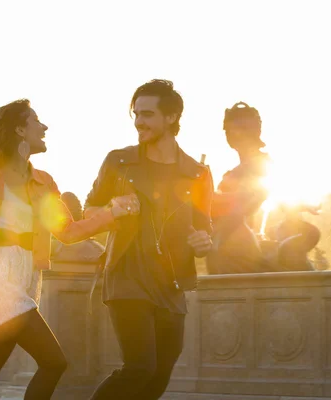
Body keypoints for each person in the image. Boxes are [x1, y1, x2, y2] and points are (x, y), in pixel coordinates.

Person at [0, 99, 137, 400]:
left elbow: (67, 232)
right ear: (19, 129)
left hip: (27, 279)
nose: (44, 127)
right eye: (36, 121)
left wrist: (112, 216)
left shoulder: (44, 183)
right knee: (54, 362)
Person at [84, 79, 213, 399]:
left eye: (148, 114)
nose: (139, 122)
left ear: (171, 117)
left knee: (159, 374)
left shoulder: (197, 172)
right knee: (139, 367)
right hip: (127, 275)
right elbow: (89, 211)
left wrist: (205, 241)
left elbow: (204, 226)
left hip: (171, 281)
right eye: (136, 114)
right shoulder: (119, 161)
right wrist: (112, 209)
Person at [207, 101, 271, 274]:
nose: (231, 134)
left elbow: (246, 202)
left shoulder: (260, 164)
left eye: (237, 129)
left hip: (241, 243)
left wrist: (209, 195)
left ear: (253, 131)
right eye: (227, 130)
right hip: (231, 238)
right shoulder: (238, 170)